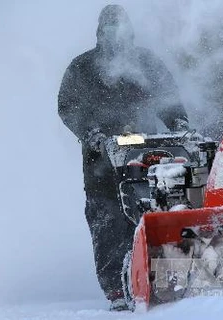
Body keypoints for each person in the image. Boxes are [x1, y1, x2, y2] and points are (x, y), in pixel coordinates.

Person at [58, 4, 188, 311]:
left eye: (122, 30)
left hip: (144, 153)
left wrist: (179, 123)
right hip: (101, 160)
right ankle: (116, 288)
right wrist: (90, 132)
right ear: (100, 33)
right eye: (110, 30)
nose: (117, 37)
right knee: (107, 220)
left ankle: (157, 277)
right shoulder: (83, 67)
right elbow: (68, 106)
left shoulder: (146, 62)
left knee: (150, 212)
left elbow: (166, 96)